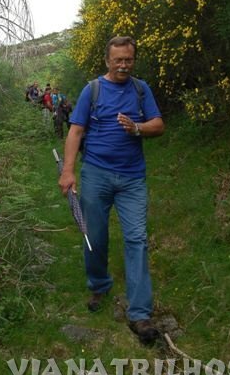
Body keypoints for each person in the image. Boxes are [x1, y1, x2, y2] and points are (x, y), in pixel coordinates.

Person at [58, 36, 165, 345]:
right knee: (95, 236)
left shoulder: (141, 90)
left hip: (132, 178)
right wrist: (68, 171)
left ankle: (140, 313)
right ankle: (99, 285)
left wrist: (137, 128)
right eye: (118, 60)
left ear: (133, 60)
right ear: (107, 60)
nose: (123, 65)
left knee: (137, 239)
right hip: (96, 174)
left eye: (128, 60)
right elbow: (76, 131)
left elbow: (158, 125)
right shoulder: (92, 90)